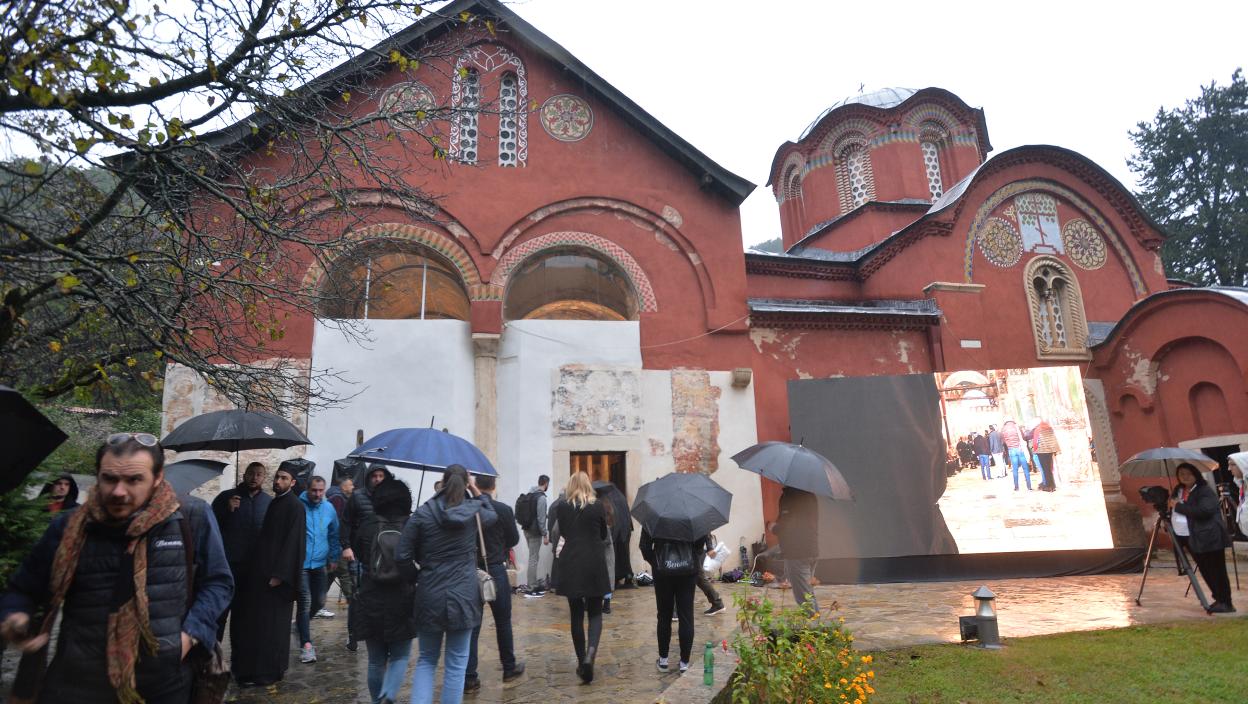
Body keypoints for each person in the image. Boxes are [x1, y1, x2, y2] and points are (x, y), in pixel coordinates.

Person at [0, 433, 233, 703]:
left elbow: (218, 583)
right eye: (109, 479)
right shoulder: (70, 526)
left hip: (164, 684)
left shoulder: (190, 518)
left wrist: (189, 636)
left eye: (134, 480)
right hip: (78, 682)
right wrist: (15, 614)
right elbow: (25, 588)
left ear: (157, 478)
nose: (119, 491)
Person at [397, 465, 497, 704]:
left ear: (442, 482)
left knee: (426, 660)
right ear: (466, 483)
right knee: (457, 663)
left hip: (429, 593)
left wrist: (416, 577)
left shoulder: (423, 513)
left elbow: (402, 556)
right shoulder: (474, 512)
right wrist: (476, 490)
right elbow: (492, 515)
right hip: (464, 595)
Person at [231, 464, 307, 686]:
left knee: (273, 628)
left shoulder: (295, 506)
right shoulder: (276, 502)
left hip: (277, 580)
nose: (278, 481)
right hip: (262, 576)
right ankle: (255, 670)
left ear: (292, 483)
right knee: (260, 627)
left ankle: (269, 672)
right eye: (277, 477)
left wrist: (280, 575)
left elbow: (294, 544)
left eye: (284, 478)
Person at [356, 477, 415, 704]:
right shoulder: (411, 526)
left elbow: (360, 554)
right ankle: (389, 695)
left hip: (371, 597)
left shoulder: (368, 525)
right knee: (400, 656)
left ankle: (376, 701)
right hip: (403, 598)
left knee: (375, 661)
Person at [465, 474, 525, 692]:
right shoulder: (503, 509)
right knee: (503, 621)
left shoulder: (466, 509)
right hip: (495, 568)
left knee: (472, 627)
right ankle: (509, 667)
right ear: (493, 485)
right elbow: (514, 539)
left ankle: (469, 677)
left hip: (472, 569)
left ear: (475, 485)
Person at [552, 471, 610, 684]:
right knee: (595, 612)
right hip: (594, 562)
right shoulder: (598, 506)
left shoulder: (562, 507)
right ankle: (590, 655)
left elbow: (563, 532)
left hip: (572, 561)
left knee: (576, 614)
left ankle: (580, 661)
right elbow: (603, 534)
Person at [211, 461, 271, 640]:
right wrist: (226, 510)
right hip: (228, 565)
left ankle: (240, 652)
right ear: (244, 475)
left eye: (259, 474)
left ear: (264, 478)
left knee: (244, 614)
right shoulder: (226, 497)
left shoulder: (268, 502)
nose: (254, 477)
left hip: (253, 568)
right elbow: (211, 526)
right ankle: (213, 650)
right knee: (220, 611)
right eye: (251, 473)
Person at [640, 526, 711, 674]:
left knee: (664, 615)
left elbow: (644, 546)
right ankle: (684, 663)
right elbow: (700, 543)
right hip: (688, 571)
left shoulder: (654, 517)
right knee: (686, 615)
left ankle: (663, 660)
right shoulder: (691, 515)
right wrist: (691, 556)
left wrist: (657, 561)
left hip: (662, 571)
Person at [341, 464, 394, 651]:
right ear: (369, 477)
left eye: (381, 476)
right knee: (358, 596)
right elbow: (346, 522)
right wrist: (346, 546)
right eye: (374, 476)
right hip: (359, 554)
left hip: (383, 554)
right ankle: (353, 634)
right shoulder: (357, 497)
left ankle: (381, 633)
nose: (378, 479)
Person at [1170, 462, 1235, 613]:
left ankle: (1226, 602)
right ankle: (1218, 599)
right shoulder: (1180, 491)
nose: (1185, 477)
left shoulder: (1204, 490)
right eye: (1181, 474)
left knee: (1217, 571)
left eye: (1188, 473)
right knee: (1206, 570)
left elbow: (1204, 511)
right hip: (1194, 537)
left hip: (1210, 537)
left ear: (1195, 474)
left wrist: (1178, 506)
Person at [297, 476, 339, 664]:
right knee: (305, 602)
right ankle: (306, 645)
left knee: (320, 601)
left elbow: (334, 534)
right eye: (314, 490)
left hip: (320, 563)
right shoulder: (298, 506)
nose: (317, 494)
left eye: (321, 490)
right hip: (301, 563)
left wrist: (334, 557)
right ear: (307, 489)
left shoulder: (329, 508)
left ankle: (301, 624)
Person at [773, 486, 820, 613]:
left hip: (797, 553)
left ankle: (814, 624)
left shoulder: (790, 496)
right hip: (811, 550)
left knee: (804, 598)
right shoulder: (809, 494)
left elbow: (786, 525)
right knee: (808, 594)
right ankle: (816, 622)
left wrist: (773, 527)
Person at [326, 476, 356, 620]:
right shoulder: (338, 500)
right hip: (337, 546)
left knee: (329, 575)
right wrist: (343, 543)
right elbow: (337, 524)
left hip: (335, 546)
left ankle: (317, 604)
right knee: (345, 575)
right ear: (343, 486)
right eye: (351, 485)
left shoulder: (339, 498)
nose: (353, 487)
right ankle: (354, 605)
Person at [519, 474, 550, 595]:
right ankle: (531, 585)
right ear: (546, 483)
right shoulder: (541, 498)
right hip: (535, 532)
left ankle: (532, 582)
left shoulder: (530, 494)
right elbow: (541, 519)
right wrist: (545, 534)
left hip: (526, 530)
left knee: (533, 557)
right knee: (533, 558)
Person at [1000, 420, 1032, 491]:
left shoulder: (1003, 429)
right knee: (1025, 468)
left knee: (1015, 469)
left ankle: (1016, 487)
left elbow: (1003, 441)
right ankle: (1029, 486)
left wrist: (1009, 445)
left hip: (1011, 450)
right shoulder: (1016, 427)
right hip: (1020, 449)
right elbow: (1023, 437)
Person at [1030, 420, 1060, 491]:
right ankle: (1052, 485)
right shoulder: (1050, 428)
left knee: (1045, 469)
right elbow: (1054, 439)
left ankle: (1048, 486)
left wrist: (1034, 450)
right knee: (1049, 468)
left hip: (1041, 451)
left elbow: (1035, 442)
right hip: (1050, 451)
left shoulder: (1038, 429)